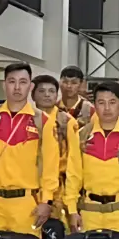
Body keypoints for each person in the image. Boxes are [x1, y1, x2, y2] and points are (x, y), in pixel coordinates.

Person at [0, 62, 59, 235]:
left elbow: (50, 166)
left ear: (30, 86)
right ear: (4, 85)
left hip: (27, 205)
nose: (17, 87)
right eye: (11, 81)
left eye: (23, 82)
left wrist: (46, 201)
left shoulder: (43, 121)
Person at [64, 81, 119, 234]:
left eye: (112, 102)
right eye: (101, 103)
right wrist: (72, 211)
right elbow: (73, 176)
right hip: (89, 214)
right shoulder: (81, 136)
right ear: (94, 106)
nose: (107, 108)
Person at [32, 74, 77, 222]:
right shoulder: (26, 119)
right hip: (29, 187)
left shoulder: (66, 122)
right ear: (32, 95)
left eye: (51, 91)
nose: (47, 95)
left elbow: (74, 159)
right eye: (42, 91)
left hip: (58, 189)